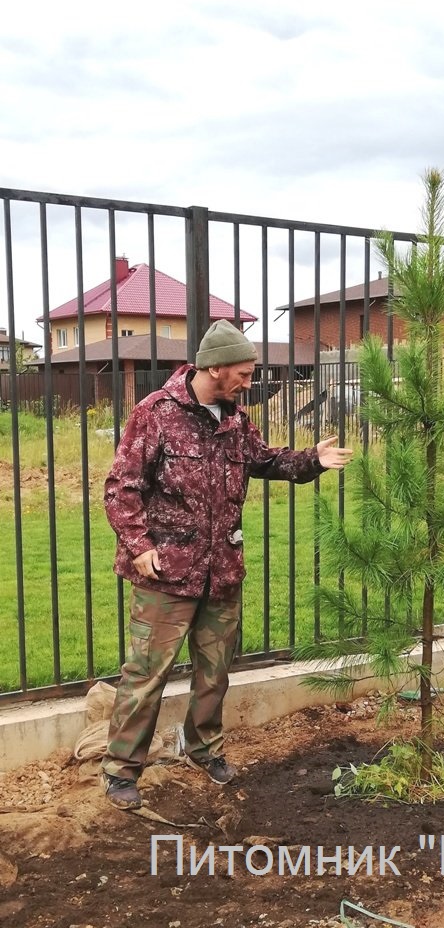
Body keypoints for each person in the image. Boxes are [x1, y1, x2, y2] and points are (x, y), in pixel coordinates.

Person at [101, 319, 353, 809]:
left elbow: (265, 461)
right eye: (243, 372)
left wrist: (312, 461)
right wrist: (139, 545)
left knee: (214, 670)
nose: (249, 381)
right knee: (146, 674)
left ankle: (204, 748)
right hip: (166, 571)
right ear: (213, 368)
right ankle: (121, 770)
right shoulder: (156, 414)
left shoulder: (236, 419)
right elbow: (121, 486)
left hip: (222, 570)